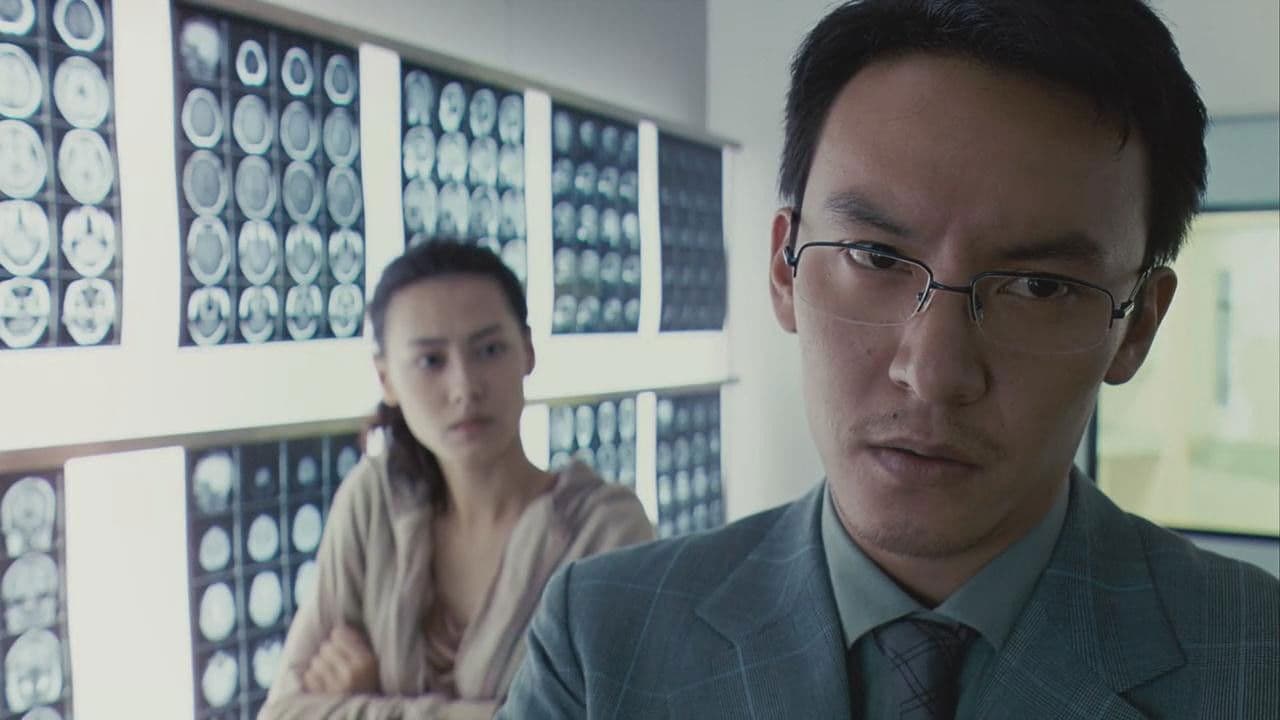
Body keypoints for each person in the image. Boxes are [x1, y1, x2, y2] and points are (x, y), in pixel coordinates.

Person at [497, 1, 1280, 718]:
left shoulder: (1256, 663)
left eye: (1039, 286)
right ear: (784, 268)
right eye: (875, 256)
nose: (934, 372)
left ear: (1138, 325)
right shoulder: (603, 639)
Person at [261, 241, 653, 720]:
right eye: (431, 361)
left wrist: (366, 703)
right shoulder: (376, 501)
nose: (465, 387)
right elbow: (284, 713)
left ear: (528, 352)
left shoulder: (604, 532)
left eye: (489, 350)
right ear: (386, 379)